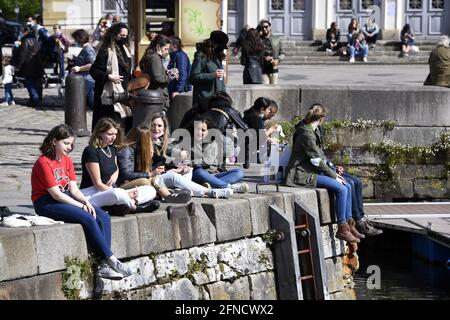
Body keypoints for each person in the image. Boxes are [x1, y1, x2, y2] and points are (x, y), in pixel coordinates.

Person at [31, 124, 135, 280]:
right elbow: (56, 194)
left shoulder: (66, 161)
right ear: (54, 141)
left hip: (65, 196)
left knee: (103, 217)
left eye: (71, 144)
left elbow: (73, 190)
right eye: (66, 143)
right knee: (88, 218)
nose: (69, 147)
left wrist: (86, 202)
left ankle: (102, 267)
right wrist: (81, 206)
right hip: (46, 202)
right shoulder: (43, 162)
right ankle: (112, 260)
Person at [284, 104, 363, 243]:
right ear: (322, 119)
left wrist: (332, 168)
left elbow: (321, 157)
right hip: (301, 175)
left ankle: (349, 225)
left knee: (348, 185)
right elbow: (316, 161)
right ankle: (342, 227)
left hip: (311, 171)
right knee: (341, 189)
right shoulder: (306, 134)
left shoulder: (313, 131)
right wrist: (333, 175)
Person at [80, 117, 159, 215]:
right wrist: (124, 193)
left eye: (115, 134)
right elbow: (98, 184)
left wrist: (114, 176)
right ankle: (134, 207)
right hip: (92, 192)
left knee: (150, 190)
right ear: (99, 133)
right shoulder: (91, 151)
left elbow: (116, 168)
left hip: (110, 190)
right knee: (117, 193)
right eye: (110, 134)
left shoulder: (111, 149)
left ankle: (123, 205)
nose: (113, 137)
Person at [150, 113, 234, 198]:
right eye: (153, 125)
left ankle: (187, 189)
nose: (156, 128)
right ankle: (211, 191)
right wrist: (179, 159)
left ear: (164, 129)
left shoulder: (162, 142)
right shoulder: (148, 140)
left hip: (210, 173)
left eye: (159, 126)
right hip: (157, 175)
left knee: (239, 172)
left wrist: (179, 168)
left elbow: (208, 162)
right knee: (188, 173)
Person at [117, 126, 192, 203]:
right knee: (145, 182)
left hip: (133, 181)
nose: (151, 142)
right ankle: (168, 194)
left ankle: (169, 196)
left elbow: (143, 171)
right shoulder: (126, 151)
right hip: (123, 184)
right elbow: (126, 174)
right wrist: (150, 173)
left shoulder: (138, 150)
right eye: (149, 139)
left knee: (155, 178)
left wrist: (154, 166)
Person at [90, 22, 133, 133]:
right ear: (114, 34)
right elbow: (94, 70)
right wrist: (109, 77)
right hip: (108, 94)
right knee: (111, 123)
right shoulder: (106, 49)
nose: (123, 38)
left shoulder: (125, 48)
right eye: (121, 35)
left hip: (123, 92)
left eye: (125, 36)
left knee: (123, 122)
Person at [191, 116, 249, 193]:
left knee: (239, 173)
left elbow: (207, 162)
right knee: (199, 171)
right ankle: (229, 187)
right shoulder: (187, 140)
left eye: (203, 130)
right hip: (197, 174)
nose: (199, 132)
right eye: (197, 129)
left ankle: (210, 185)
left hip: (213, 175)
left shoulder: (213, 143)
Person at [189, 30, 228, 112]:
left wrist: (224, 95)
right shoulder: (201, 56)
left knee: (216, 124)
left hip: (217, 102)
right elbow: (193, 78)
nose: (222, 50)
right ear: (214, 44)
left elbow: (221, 80)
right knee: (199, 124)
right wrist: (213, 75)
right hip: (203, 102)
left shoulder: (217, 57)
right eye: (220, 47)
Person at [11, 24, 44, 108]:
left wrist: (17, 66)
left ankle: (35, 100)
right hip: (38, 66)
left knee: (30, 83)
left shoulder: (26, 41)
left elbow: (22, 56)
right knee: (36, 83)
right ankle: (35, 99)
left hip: (28, 66)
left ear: (24, 32)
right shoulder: (37, 40)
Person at [243, 97, 281, 164]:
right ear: (262, 109)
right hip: (250, 153)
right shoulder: (256, 118)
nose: (269, 112)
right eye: (268, 109)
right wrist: (271, 129)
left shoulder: (249, 114)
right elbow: (261, 138)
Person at [139, 34, 171, 109]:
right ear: (158, 47)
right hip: (157, 95)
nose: (167, 52)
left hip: (151, 94)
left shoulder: (149, 55)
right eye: (165, 49)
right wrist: (169, 77)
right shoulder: (155, 58)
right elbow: (158, 77)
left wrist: (165, 72)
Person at [70, 29, 96, 110]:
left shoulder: (88, 49)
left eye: (75, 39)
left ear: (79, 39)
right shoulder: (86, 48)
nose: (75, 41)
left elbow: (92, 64)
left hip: (87, 79)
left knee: (80, 102)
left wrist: (79, 68)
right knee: (89, 102)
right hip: (85, 79)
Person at [259, 19, 285, 85]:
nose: (264, 29)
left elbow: (283, 53)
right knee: (265, 90)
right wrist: (263, 58)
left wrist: (278, 60)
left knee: (274, 90)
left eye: (266, 27)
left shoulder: (277, 39)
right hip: (263, 69)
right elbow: (255, 54)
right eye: (262, 27)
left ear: (270, 27)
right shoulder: (258, 40)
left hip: (274, 69)